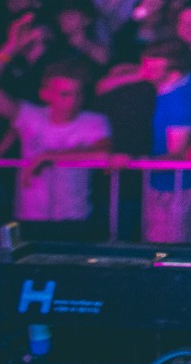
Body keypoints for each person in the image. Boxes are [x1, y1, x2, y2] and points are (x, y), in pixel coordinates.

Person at [0, 60, 113, 239]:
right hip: (29, 217)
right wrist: (10, 51)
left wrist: (48, 156)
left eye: (78, 94)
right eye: (65, 94)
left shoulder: (93, 121)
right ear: (45, 94)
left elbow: (104, 153)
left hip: (74, 218)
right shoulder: (29, 115)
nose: (73, 101)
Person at [142, 43, 191, 244]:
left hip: (173, 189)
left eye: (151, 68)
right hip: (179, 185)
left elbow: (177, 154)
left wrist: (135, 162)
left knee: (169, 244)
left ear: (172, 72)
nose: (144, 72)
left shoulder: (178, 106)